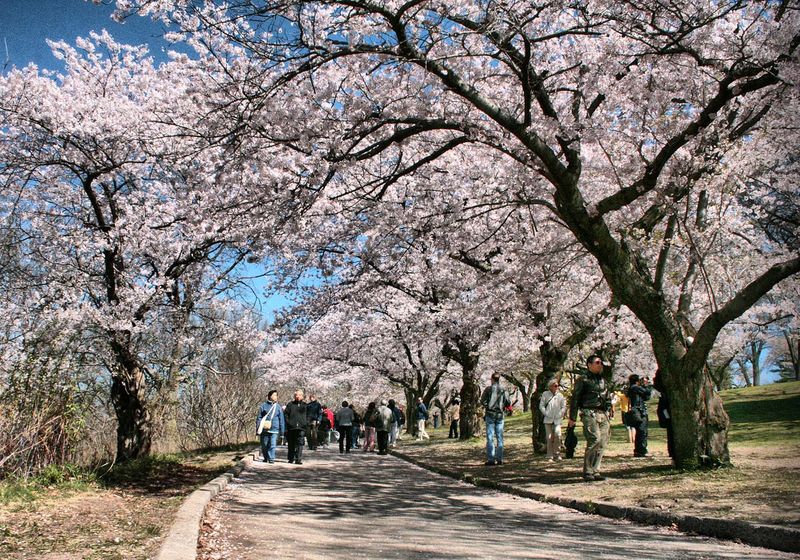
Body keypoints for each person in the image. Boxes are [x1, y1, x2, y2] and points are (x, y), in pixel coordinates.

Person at [568, 354, 614, 482]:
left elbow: (607, 396)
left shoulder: (603, 380)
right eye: (597, 363)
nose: (600, 365)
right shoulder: (583, 380)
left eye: (601, 363)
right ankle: (588, 471)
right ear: (589, 365)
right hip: (589, 412)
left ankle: (596, 470)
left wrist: (609, 408)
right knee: (594, 439)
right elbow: (575, 398)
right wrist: (572, 417)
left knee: (603, 441)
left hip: (602, 413)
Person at [480, 372, 511, 466]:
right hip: (500, 415)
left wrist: (488, 406)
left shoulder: (488, 389)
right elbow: (508, 402)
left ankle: (491, 459)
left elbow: (482, 401)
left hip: (490, 414)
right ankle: (500, 459)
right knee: (500, 437)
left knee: (490, 437)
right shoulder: (503, 390)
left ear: (492, 379)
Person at [539, 378, 566, 462]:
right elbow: (541, 405)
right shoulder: (545, 394)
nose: (557, 387)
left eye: (557, 386)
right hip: (548, 419)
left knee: (558, 435)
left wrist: (560, 414)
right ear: (550, 386)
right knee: (549, 437)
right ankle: (549, 455)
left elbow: (564, 406)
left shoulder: (560, 395)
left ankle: (557, 454)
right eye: (555, 386)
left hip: (557, 419)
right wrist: (546, 413)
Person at [627, 374, 653, 458]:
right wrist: (646, 385)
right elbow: (647, 392)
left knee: (640, 432)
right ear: (637, 381)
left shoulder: (635, 389)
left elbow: (647, 397)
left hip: (640, 411)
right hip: (639, 412)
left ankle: (639, 450)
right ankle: (641, 450)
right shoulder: (634, 387)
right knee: (642, 431)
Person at [256, 390, 284, 464]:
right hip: (264, 429)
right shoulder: (263, 406)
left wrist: (282, 432)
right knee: (264, 445)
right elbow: (259, 417)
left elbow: (281, 419)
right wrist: (258, 429)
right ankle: (266, 457)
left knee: (272, 444)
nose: (275, 397)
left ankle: (271, 458)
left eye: (276, 395)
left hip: (274, 428)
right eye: (274, 395)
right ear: (270, 396)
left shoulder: (278, 407)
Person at [653, 372, 674, 460]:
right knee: (671, 432)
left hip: (666, 410)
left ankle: (672, 451)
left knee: (670, 433)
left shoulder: (663, 391)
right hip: (667, 411)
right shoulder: (665, 391)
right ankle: (672, 451)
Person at [285, 390, 308, 464]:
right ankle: (291, 458)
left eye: (299, 395)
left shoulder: (305, 405)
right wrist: (289, 423)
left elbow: (309, 415)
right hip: (291, 427)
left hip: (301, 427)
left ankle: (298, 459)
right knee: (291, 443)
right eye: (296, 395)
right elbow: (286, 415)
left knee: (300, 443)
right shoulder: (290, 404)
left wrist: (306, 422)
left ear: (302, 396)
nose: (297, 396)